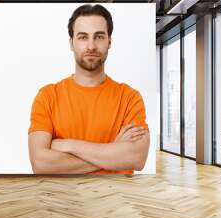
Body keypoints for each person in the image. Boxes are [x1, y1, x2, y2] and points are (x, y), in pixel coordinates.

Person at [28, 4, 150, 174]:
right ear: (71, 43)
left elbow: (136, 158)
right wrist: (114, 152)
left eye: (99, 37)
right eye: (83, 37)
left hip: (117, 198)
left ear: (109, 42)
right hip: (63, 199)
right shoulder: (47, 96)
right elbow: (40, 164)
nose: (91, 46)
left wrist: (67, 145)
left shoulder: (129, 97)